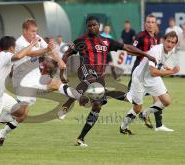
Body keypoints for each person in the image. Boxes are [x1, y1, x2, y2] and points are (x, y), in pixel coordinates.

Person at [59, 16, 156, 147]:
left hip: (100, 77)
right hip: (86, 71)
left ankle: (80, 138)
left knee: (97, 106)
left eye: (94, 25)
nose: (92, 27)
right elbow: (66, 55)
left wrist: (146, 54)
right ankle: (74, 99)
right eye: (89, 26)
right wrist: (61, 72)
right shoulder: (81, 40)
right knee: (92, 81)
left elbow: (126, 47)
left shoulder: (106, 41)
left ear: (99, 26)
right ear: (87, 27)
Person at [0, 19, 89, 146]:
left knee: (55, 84)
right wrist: (47, 50)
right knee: (22, 115)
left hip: (36, 77)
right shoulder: (19, 43)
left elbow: (49, 50)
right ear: (25, 31)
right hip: (22, 82)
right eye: (32, 31)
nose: (35, 34)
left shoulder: (37, 38)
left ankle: (78, 96)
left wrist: (59, 60)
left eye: (36, 31)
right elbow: (33, 53)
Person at [120, 31, 180, 134]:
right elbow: (153, 72)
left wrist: (164, 66)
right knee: (137, 108)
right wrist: (171, 71)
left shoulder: (172, 50)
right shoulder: (155, 50)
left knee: (166, 101)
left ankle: (145, 114)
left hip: (152, 78)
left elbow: (159, 62)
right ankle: (123, 127)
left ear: (175, 44)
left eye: (172, 42)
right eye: (168, 41)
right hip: (140, 78)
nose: (170, 44)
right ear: (163, 40)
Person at [128, 14, 172, 131]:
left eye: (152, 22)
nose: (150, 24)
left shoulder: (154, 37)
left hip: (151, 73)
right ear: (145, 23)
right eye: (148, 22)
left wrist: (163, 65)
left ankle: (158, 124)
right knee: (134, 103)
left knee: (158, 98)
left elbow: (156, 57)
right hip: (140, 72)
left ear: (155, 24)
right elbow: (130, 52)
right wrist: (146, 54)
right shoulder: (141, 36)